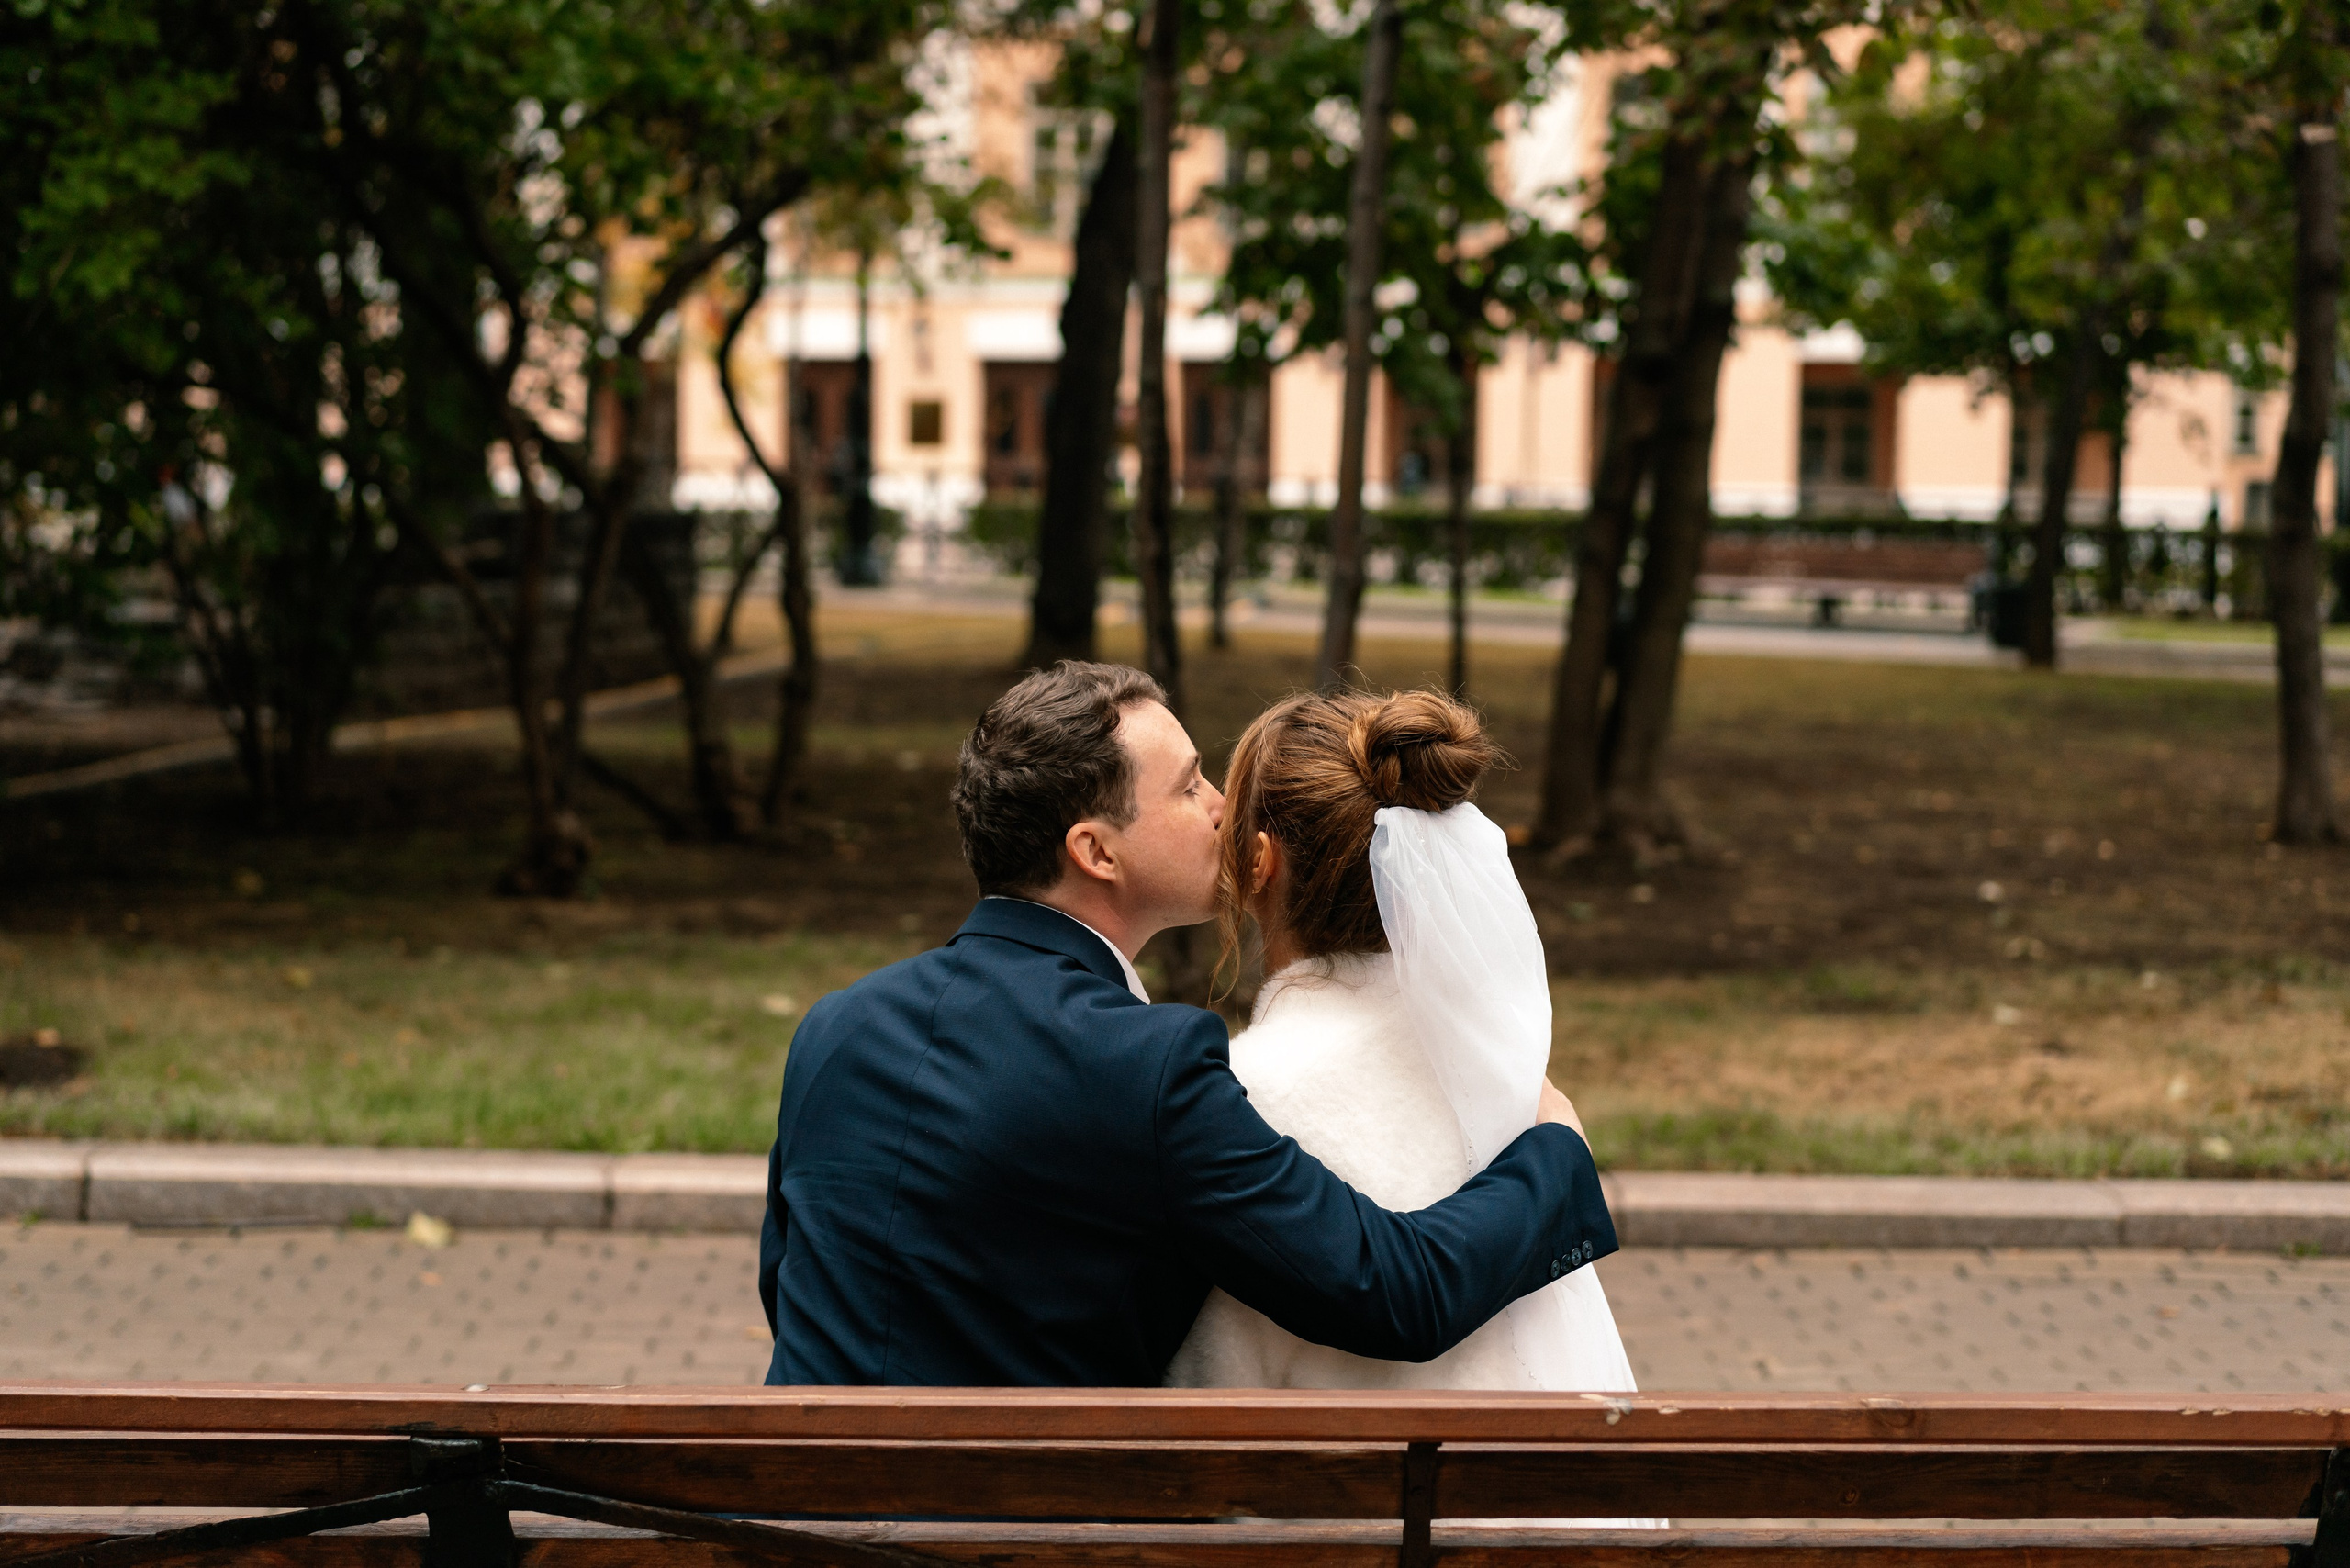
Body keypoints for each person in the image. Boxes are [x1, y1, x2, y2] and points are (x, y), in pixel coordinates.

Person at [758, 660, 1617, 1386]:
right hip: (1015, 1537)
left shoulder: (835, 1029)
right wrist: (1557, 1151)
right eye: (1190, 785)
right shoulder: (1148, 1065)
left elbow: (791, 1284)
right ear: (1096, 851)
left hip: (797, 1523)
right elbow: (1395, 1293)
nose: (1221, 806)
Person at [1165, 688, 1643, 1402]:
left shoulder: (1241, 1092)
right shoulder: (1502, 1074)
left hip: (1350, 1510)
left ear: (1260, 862)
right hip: (1546, 1496)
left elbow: (1211, 1386)